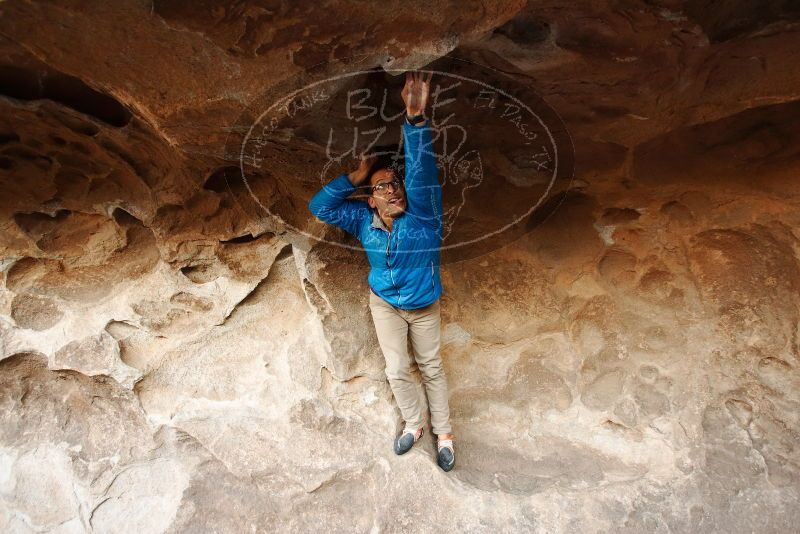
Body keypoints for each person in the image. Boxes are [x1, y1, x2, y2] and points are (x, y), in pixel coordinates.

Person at [307, 71, 455, 472]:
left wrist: (415, 119)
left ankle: (444, 433)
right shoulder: (362, 220)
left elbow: (422, 172)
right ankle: (414, 425)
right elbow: (319, 208)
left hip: (423, 305)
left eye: (394, 183)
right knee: (396, 368)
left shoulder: (424, 216)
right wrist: (354, 177)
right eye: (381, 186)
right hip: (385, 304)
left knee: (431, 366)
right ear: (370, 200)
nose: (391, 189)